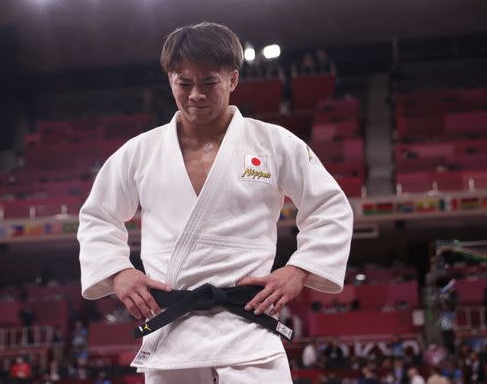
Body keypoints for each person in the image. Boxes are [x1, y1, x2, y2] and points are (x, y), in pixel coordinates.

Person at [78, 22, 354, 383]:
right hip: (173, 333)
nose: (195, 95)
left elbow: (330, 207)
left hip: (248, 328)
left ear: (233, 79)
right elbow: (98, 216)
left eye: (208, 83)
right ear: (170, 81)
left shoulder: (273, 143)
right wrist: (118, 272)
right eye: (184, 83)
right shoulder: (140, 153)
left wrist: (298, 270)